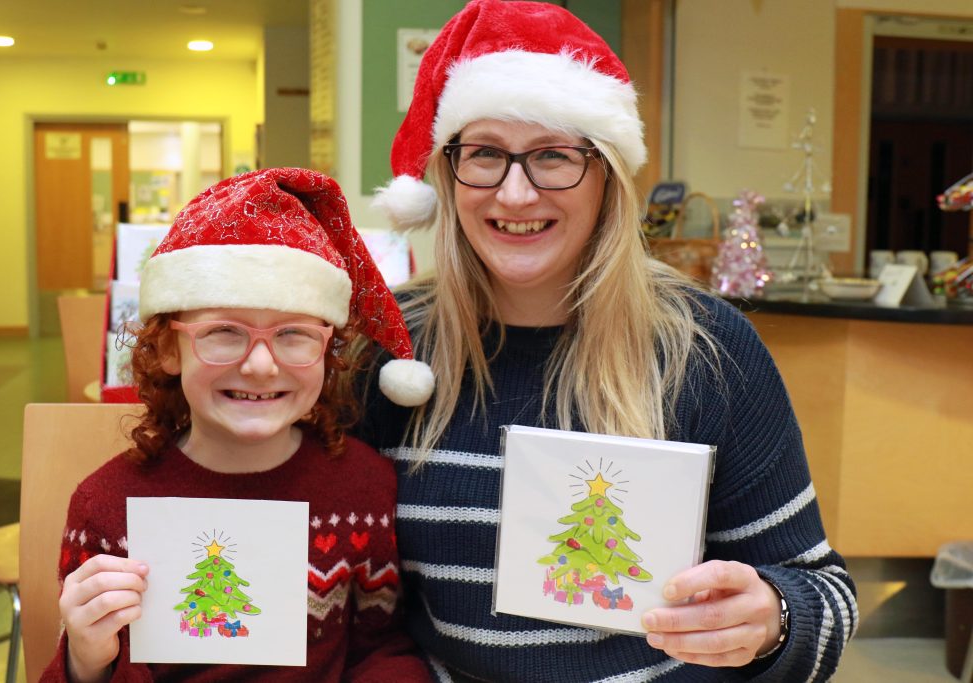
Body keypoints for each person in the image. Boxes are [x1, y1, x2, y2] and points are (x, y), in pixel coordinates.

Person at [356, 1, 858, 681]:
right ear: (446, 172)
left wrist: (772, 617)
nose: (515, 193)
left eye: (554, 156)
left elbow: (822, 595)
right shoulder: (391, 348)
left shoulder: (705, 349)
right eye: (484, 154)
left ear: (606, 178)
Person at [41, 168, 435, 682]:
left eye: (294, 334)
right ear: (167, 349)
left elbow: (378, 647)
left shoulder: (363, 489)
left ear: (328, 350)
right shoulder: (107, 507)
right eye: (224, 332)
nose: (260, 366)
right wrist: (86, 660)